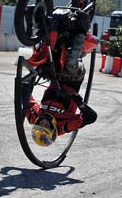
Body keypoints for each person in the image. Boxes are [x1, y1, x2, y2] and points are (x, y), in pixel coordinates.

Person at [25, 9, 97, 147]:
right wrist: (80, 104)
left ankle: (36, 20)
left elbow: (25, 98)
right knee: (70, 63)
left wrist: (26, 85)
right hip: (73, 78)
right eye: (47, 126)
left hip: (54, 76)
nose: (44, 122)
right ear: (53, 130)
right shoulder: (65, 126)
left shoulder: (34, 116)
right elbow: (91, 118)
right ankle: (83, 26)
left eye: (40, 124)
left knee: (39, 58)